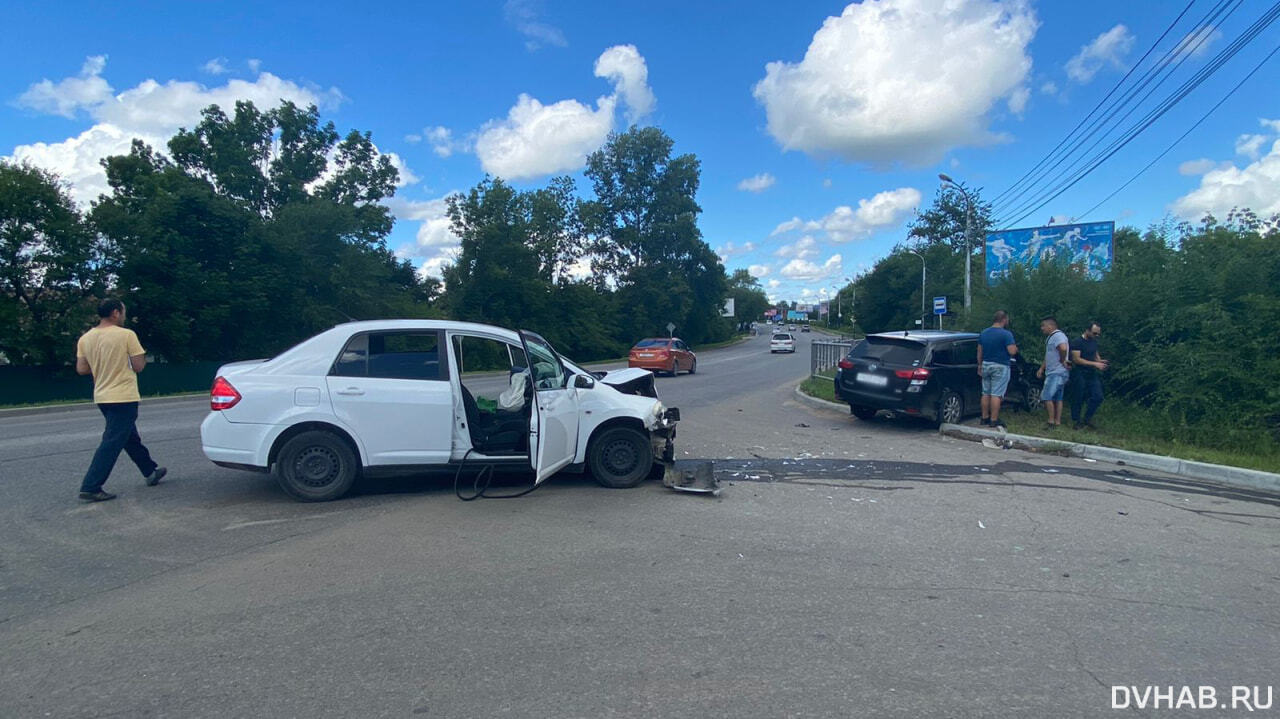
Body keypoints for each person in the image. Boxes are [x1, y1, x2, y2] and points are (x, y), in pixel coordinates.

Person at [75, 299, 166, 502]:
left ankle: (150, 471)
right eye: (123, 312)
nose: (124, 315)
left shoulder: (86, 338)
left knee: (128, 436)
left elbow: (81, 369)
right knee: (113, 441)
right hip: (123, 395)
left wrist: (101, 365)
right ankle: (91, 486)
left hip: (102, 395)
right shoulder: (126, 335)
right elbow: (139, 366)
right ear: (115, 313)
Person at [976, 309, 1018, 429]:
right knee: (996, 394)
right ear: (1004, 319)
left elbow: (979, 351)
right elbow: (1012, 351)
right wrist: (1015, 349)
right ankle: (993, 420)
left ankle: (984, 417)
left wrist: (979, 365)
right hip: (1000, 365)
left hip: (986, 364)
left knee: (985, 392)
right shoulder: (1006, 334)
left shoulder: (984, 333)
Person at [1069, 321, 1108, 429]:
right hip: (1080, 372)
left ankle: (1087, 418)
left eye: (1098, 334)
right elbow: (1077, 359)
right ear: (1087, 330)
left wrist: (1100, 361)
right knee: (1078, 396)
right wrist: (1095, 364)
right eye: (1094, 333)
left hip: (1091, 373)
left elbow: (1095, 354)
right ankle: (1076, 420)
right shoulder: (1077, 342)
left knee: (1098, 396)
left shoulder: (1094, 341)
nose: (1096, 336)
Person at [1036, 316, 1070, 429]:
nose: (1042, 328)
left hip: (1057, 372)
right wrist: (1042, 368)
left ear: (1050, 326)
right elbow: (1049, 355)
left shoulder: (1058, 336)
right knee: (1057, 398)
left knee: (1046, 396)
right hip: (1054, 371)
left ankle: (1051, 422)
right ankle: (1057, 421)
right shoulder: (1051, 338)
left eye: (1043, 326)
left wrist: (1062, 359)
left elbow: (1063, 348)